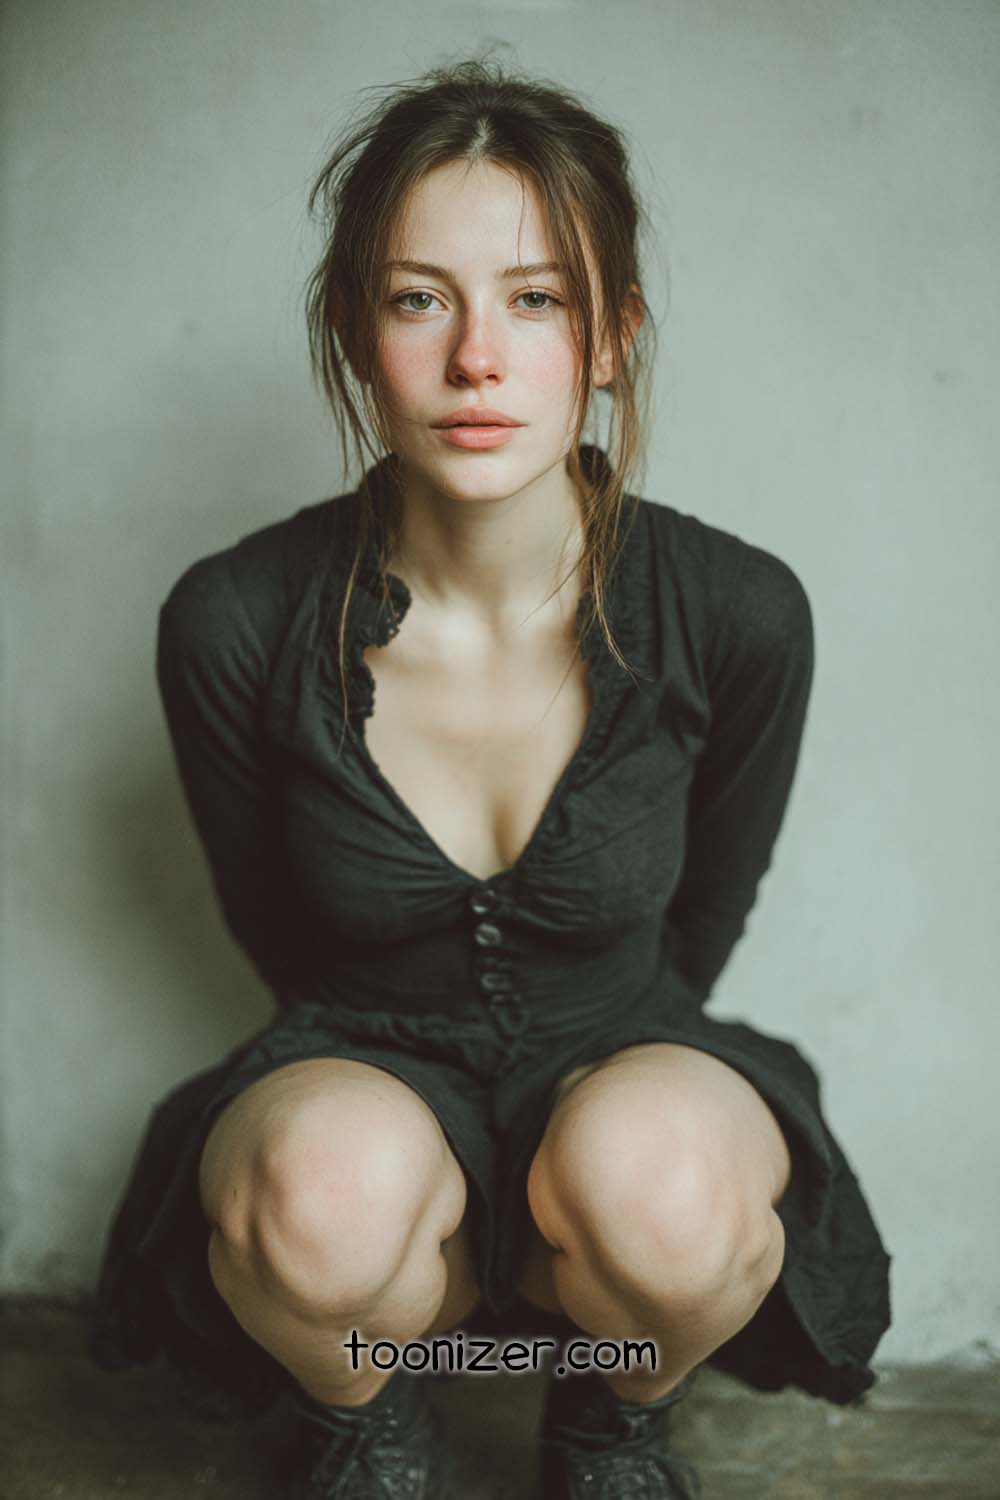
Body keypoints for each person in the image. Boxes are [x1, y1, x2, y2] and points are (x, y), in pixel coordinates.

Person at [87, 53, 892, 1500]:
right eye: (418, 298)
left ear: (611, 336)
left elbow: (703, 918)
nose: (477, 359)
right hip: (362, 1055)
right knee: (315, 1201)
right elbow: (273, 927)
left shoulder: (741, 612)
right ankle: (373, 1410)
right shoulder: (235, 619)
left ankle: (603, 1412)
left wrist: (608, 1083)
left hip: (622, 1042)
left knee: (667, 1192)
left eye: (537, 299)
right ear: (354, 330)